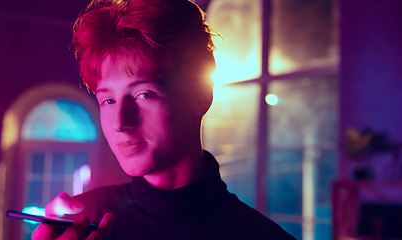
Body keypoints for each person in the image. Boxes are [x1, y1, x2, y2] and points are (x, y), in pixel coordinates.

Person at [32, 0, 296, 239]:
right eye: (108, 100)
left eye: (144, 94)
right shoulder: (80, 222)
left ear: (200, 96)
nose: (119, 123)